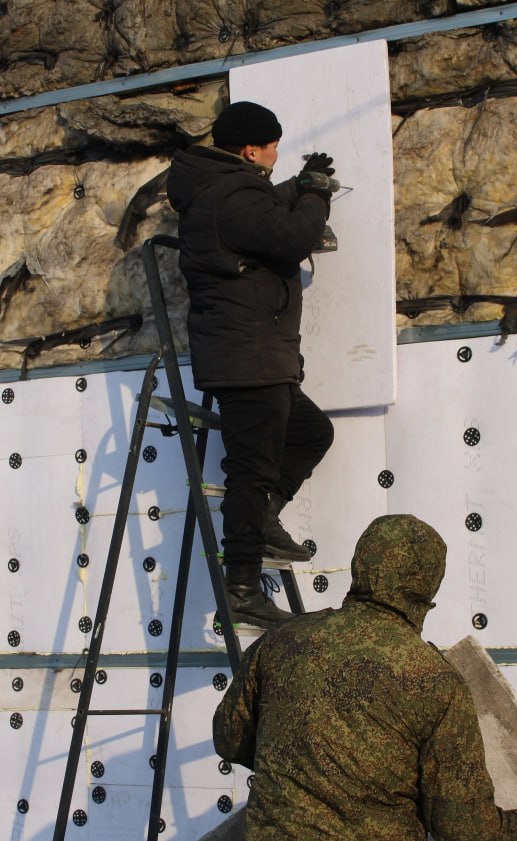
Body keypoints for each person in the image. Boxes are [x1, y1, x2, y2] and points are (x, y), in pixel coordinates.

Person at [213, 514, 517, 841]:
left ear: (360, 565)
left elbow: (230, 739)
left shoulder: (283, 640)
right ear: (428, 589)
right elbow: (461, 827)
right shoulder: (436, 682)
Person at [165, 100, 336, 630]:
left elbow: (265, 215)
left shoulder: (228, 191)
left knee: (311, 433)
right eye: (272, 146)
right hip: (248, 354)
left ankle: (262, 520)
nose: (276, 154)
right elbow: (289, 236)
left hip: (257, 352)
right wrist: (316, 195)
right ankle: (241, 590)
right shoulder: (228, 195)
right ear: (250, 149)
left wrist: (298, 186)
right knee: (251, 471)